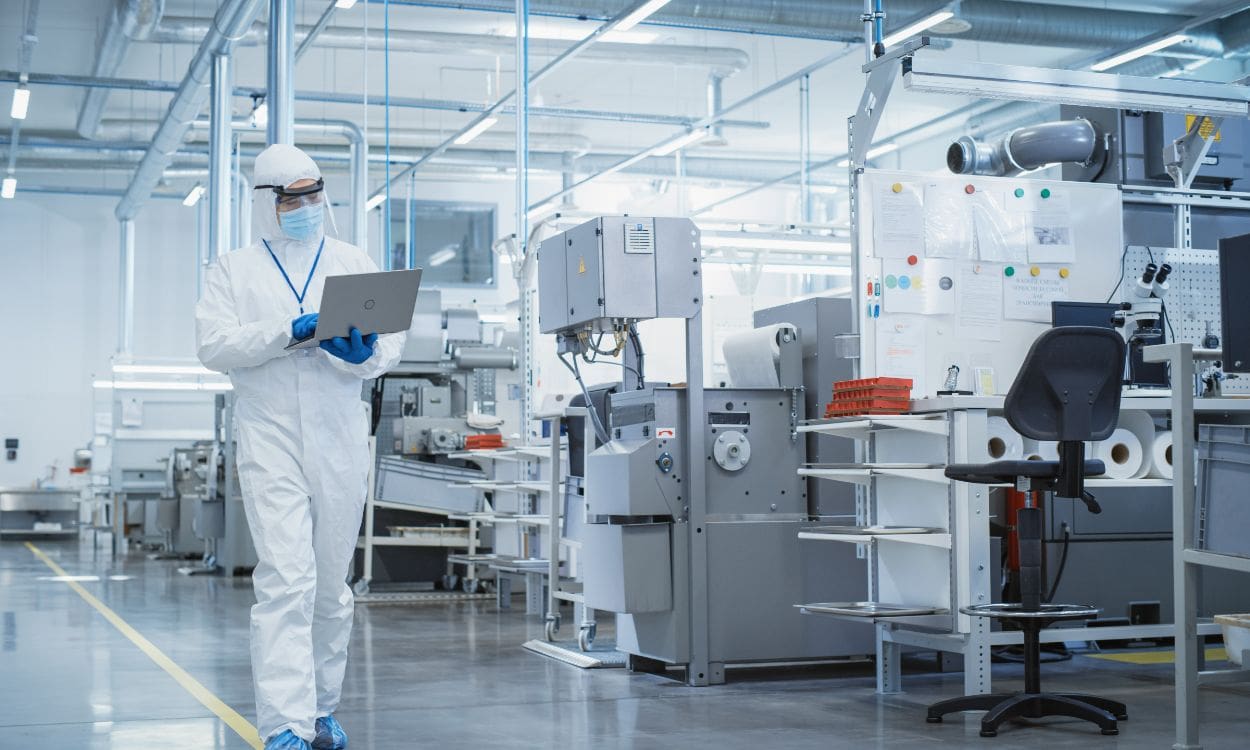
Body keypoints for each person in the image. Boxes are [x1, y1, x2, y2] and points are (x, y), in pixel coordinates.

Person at [196, 144, 403, 750]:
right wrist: (288, 331)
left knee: (331, 583)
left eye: (314, 195)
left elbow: (389, 342)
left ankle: (322, 711)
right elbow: (214, 347)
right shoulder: (232, 270)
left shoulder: (351, 259)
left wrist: (367, 357)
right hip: (270, 433)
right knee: (286, 578)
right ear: (267, 203)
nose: (306, 207)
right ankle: (285, 723)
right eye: (292, 198)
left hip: (340, 430)